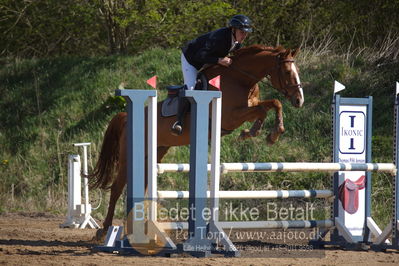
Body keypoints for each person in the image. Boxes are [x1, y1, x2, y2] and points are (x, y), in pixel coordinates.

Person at [171, 14, 253, 136]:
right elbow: (199, 56)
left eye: (246, 33)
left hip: (207, 60)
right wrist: (219, 60)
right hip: (191, 59)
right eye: (242, 32)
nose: (244, 36)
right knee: (191, 87)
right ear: (233, 29)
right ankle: (178, 122)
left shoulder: (236, 43)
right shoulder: (219, 38)